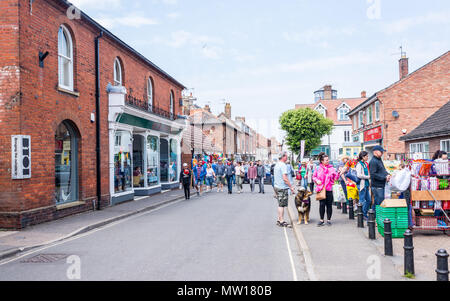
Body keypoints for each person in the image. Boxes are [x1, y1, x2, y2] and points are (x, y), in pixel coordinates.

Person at [313, 152, 339, 227]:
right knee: (321, 205)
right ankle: (321, 220)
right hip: (321, 189)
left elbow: (335, 178)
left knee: (329, 205)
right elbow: (314, 177)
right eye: (326, 160)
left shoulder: (331, 168)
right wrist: (317, 180)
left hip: (329, 189)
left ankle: (329, 220)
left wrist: (338, 173)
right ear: (322, 161)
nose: (328, 161)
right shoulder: (318, 168)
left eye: (328, 160)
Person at [274, 151, 295, 228]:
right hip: (282, 187)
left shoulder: (277, 164)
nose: (287, 157)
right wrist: (291, 187)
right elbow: (285, 178)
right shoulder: (283, 165)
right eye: (286, 156)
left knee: (280, 204)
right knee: (282, 205)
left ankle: (279, 219)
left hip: (276, 186)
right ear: (283, 157)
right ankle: (282, 221)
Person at [369, 146, 391, 211]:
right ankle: (374, 217)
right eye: (380, 151)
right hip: (377, 186)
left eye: (382, 152)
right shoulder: (373, 161)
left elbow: (382, 170)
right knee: (379, 203)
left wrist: (387, 174)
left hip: (380, 185)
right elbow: (373, 174)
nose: (382, 153)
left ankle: (373, 216)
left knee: (378, 202)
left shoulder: (379, 160)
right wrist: (384, 177)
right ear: (375, 152)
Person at [356, 151, 371, 220]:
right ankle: (361, 215)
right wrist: (368, 177)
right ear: (363, 157)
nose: (367, 157)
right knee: (361, 200)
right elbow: (358, 175)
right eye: (366, 156)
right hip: (362, 185)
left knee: (368, 200)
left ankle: (364, 213)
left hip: (366, 184)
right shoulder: (359, 164)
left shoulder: (365, 164)